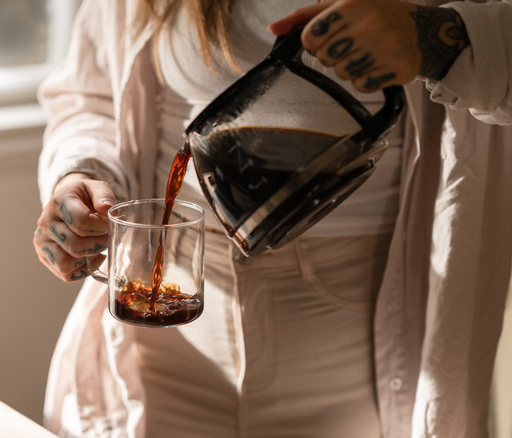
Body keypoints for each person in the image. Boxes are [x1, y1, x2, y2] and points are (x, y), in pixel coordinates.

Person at [33, 0, 512, 436]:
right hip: (169, 344)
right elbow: (91, 96)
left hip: (357, 340)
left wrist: (432, 35)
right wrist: (80, 174)